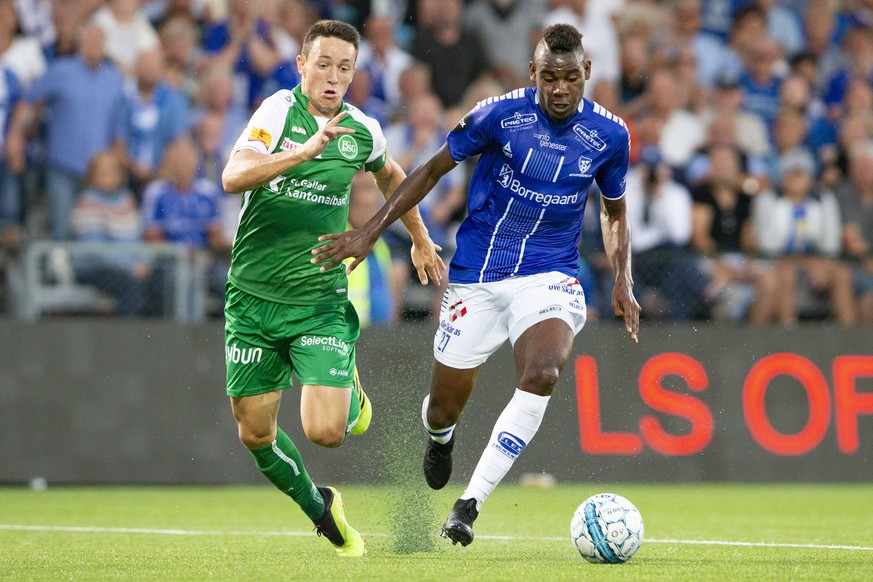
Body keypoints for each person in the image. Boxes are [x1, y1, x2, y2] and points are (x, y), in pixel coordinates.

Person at [313, 23, 639, 546]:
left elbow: (615, 210)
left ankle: (469, 503)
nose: (560, 89)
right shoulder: (499, 115)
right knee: (444, 407)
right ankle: (439, 435)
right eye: (550, 77)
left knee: (544, 370)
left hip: (551, 273)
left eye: (571, 78)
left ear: (588, 75)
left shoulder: (610, 135)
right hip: (477, 278)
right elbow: (428, 171)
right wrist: (368, 233)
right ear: (533, 74)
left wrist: (623, 279)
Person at [220, 20, 443, 557]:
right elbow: (233, 175)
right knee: (255, 435)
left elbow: (391, 175)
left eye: (345, 67)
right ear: (302, 64)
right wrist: (302, 151)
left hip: (318, 301)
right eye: (323, 64)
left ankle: (351, 390)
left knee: (326, 431)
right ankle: (322, 510)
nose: (333, 76)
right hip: (251, 299)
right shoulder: (277, 112)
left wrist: (419, 236)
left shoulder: (363, 129)